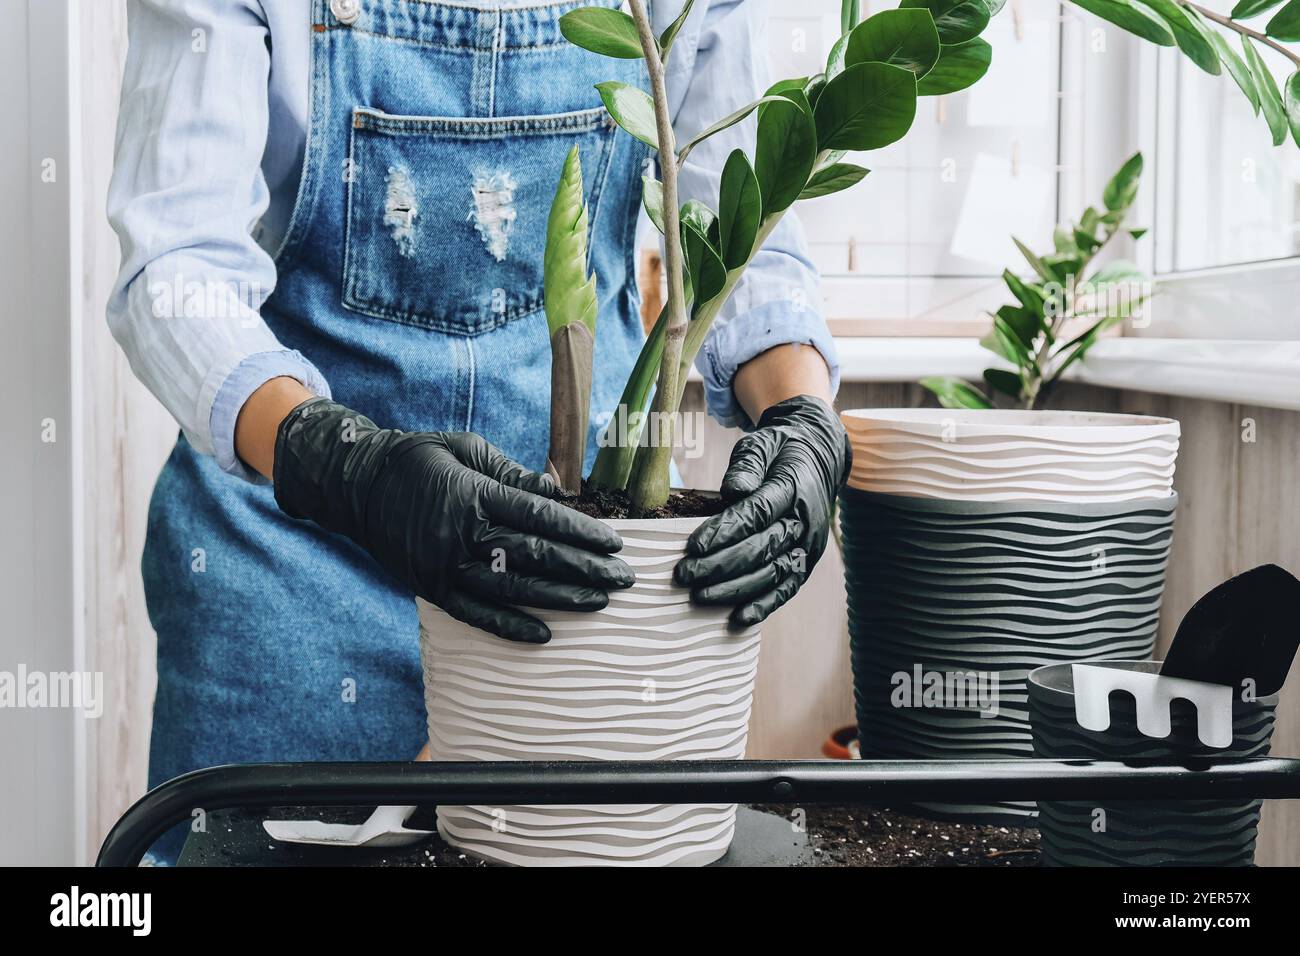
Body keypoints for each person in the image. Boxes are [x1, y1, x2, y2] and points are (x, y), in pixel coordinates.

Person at [107, 0, 848, 863]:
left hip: (570, 576)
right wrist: (343, 464)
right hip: (296, 570)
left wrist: (802, 420)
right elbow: (177, 267)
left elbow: (744, 222)